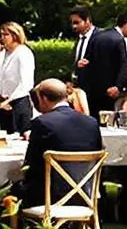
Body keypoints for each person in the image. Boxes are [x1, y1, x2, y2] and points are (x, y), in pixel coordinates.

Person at [22, 77, 103, 205]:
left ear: (43, 98)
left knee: (13, 189)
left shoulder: (42, 123)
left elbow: (31, 163)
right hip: (85, 194)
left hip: (50, 197)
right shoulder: (91, 122)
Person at [69, 7, 127, 119]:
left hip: (101, 93)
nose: (74, 26)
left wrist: (118, 85)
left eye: (77, 22)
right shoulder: (79, 39)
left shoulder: (104, 37)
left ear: (87, 20)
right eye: (72, 23)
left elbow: (120, 63)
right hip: (81, 90)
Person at [0, 23, 36, 134]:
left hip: (19, 101)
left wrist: (9, 100)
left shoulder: (23, 53)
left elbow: (26, 83)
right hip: (4, 102)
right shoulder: (3, 54)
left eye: (6, 35)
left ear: (15, 36)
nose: (2, 38)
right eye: (1, 35)